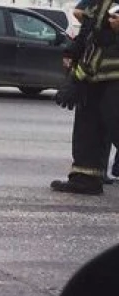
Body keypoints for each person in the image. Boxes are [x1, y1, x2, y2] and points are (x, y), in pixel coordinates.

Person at [51, 0, 119, 194]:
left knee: (115, 122)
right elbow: (89, 33)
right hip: (93, 75)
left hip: (115, 77)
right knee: (87, 127)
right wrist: (72, 53)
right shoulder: (98, 4)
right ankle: (85, 179)